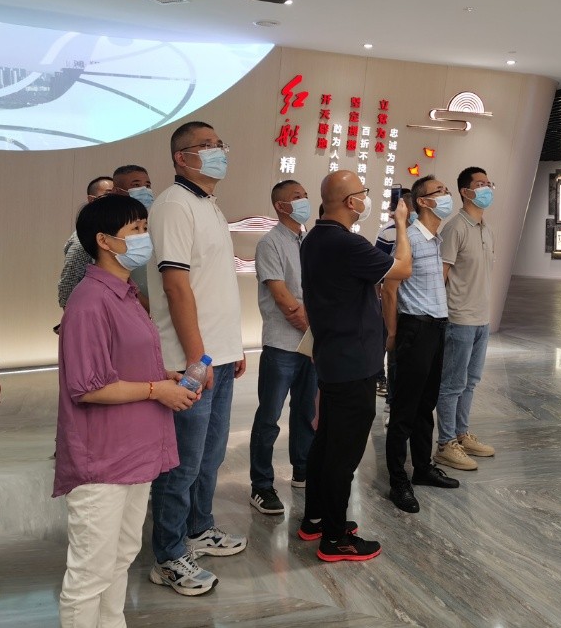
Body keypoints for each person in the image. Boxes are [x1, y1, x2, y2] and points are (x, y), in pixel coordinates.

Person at [55, 194, 197, 625]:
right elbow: (88, 387)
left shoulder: (125, 294)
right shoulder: (89, 300)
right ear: (104, 241)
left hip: (135, 451)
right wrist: (157, 390)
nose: (144, 237)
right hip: (103, 459)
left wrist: (165, 376)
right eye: (135, 229)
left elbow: (124, 362)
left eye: (144, 227)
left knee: (120, 557)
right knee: (90, 572)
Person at [146, 121, 247, 595]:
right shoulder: (173, 204)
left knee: (209, 456)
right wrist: (196, 358)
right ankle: (168, 555)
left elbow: (212, 285)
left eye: (219, 143)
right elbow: (176, 286)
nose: (217, 151)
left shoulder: (208, 203)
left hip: (217, 356)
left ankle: (198, 528)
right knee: (181, 464)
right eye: (205, 145)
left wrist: (231, 348)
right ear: (181, 157)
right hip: (192, 361)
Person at [297, 171, 412, 562]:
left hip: (334, 357)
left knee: (326, 444)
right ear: (350, 202)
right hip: (353, 363)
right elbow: (402, 269)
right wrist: (401, 225)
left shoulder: (315, 238)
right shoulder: (347, 243)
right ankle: (334, 538)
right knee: (343, 456)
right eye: (363, 193)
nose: (365, 199)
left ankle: (315, 519)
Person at [382, 176, 459, 514]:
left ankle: (423, 468)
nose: (446, 195)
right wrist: (393, 333)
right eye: (440, 191)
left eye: (446, 190)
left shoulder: (435, 238)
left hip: (437, 327)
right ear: (424, 202)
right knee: (404, 410)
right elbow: (389, 288)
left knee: (426, 404)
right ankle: (398, 481)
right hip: (415, 328)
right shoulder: (411, 237)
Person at [248, 180, 317, 514]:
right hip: (282, 344)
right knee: (269, 417)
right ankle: (261, 485)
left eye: (305, 196)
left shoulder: (310, 241)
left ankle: (302, 470)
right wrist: (313, 330)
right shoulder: (270, 243)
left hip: (310, 344)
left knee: (306, 412)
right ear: (280, 205)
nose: (304, 201)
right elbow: (283, 297)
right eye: (296, 197)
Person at [435, 167, 497, 472]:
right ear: (465, 191)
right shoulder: (455, 228)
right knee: (452, 384)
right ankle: (446, 444)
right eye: (480, 184)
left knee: (470, 382)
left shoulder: (486, 229)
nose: (487, 188)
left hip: (482, 318)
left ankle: (462, 434)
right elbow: (441, 276)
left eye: (489, 183)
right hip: (459, 318)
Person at [374, 187, 413, 400]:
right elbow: (378, 272)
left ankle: (395, 393)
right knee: (387, 342)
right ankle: (382, 381)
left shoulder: (419, 234)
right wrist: (377, 299)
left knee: (399, 349)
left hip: (411, 303)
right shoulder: (387, 232)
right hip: (389, 298)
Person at [57, 176, 115, 310]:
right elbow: (69, 283)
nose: (114, 200)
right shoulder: (82, 240)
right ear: (91, 199)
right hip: (89, 310)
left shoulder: (115, 233)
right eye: (108, 195)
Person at [111, 164, 154, 311]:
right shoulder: (110, 228)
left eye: (147, 185)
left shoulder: (153, 222)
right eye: (136, 185)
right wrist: (147, 307)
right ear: (116, 191)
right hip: (126, 306)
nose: (144, 190)